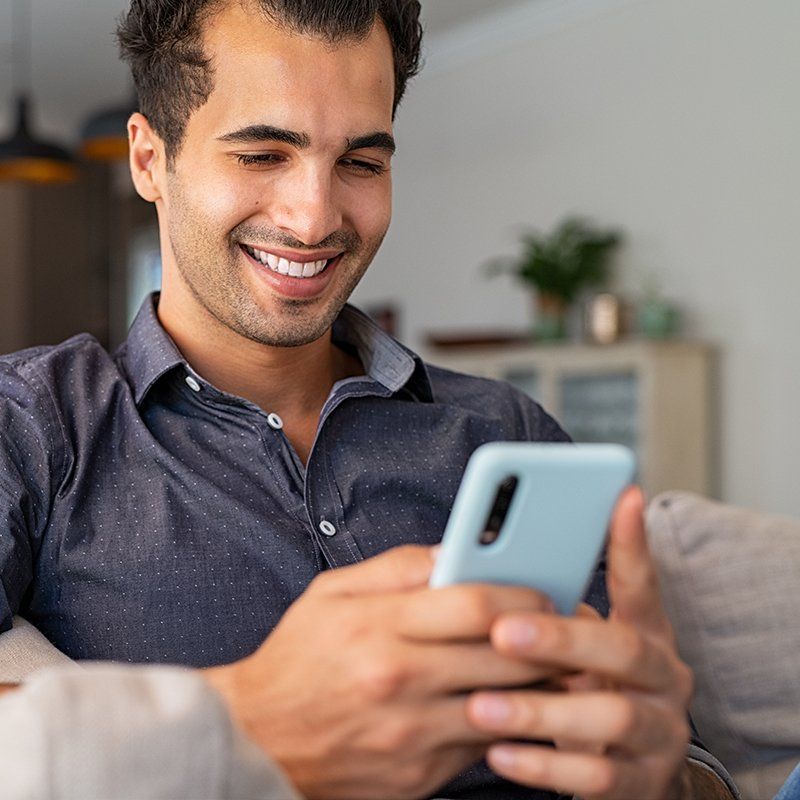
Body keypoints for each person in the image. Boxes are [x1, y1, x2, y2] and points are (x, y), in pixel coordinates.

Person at [0, 1, 739, 797]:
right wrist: (245, 721)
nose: (314, 217)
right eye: (261, 154)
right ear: (149, 159)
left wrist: (664, 776)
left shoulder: (504, 432)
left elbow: (677, 758)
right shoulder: (33, 426)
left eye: (360, 162)